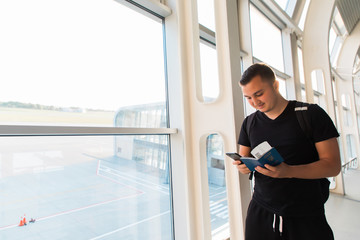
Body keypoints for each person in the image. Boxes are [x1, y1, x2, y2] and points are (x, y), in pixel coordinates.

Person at [233, 63, 341, 240]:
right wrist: (244, 166)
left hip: (305, 213)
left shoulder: (311, 114)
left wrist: (289, 171)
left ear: (275, 85)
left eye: (259, 94)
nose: (255, 102)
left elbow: (332, 165)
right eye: (248, 98)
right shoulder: (249, 122)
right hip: (261, 211)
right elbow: (244, 157)